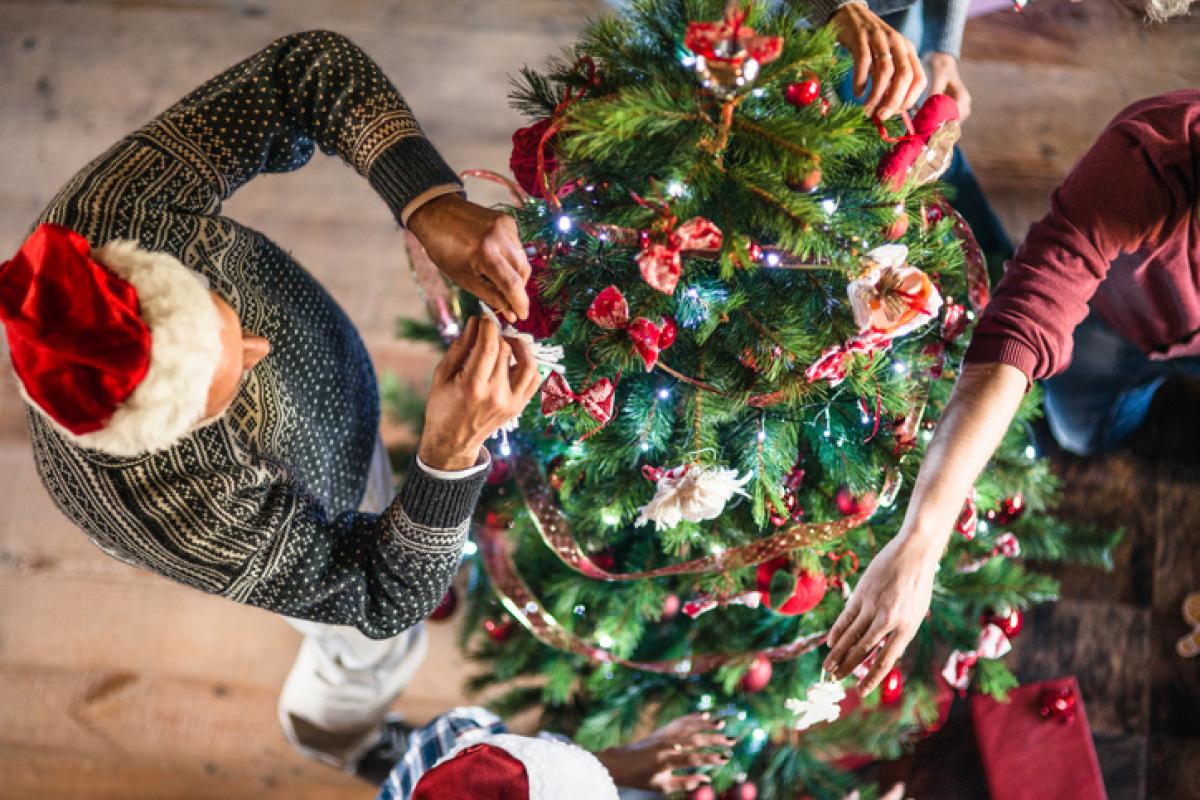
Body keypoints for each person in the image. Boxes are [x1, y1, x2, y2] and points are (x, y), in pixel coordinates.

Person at [0, 31, 541, 777]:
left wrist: (428, 199)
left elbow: (304, 72)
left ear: (159, 265)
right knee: (371, 651)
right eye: (225, 389)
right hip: (312, 506)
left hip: (335, 429)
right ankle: (335, 734)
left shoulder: (117, 213)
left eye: (224, 313)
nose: (258, 350)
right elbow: (378, 596)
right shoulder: (190, 511)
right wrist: (448, 460)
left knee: (391, 516)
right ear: (175, 436)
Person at [823, 87, 1200, 693]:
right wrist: (922, 536)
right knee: (1081, 430)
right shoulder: (1150, 155)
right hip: (1118, 322)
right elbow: (1020, 327)